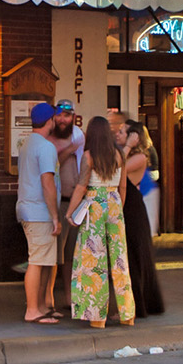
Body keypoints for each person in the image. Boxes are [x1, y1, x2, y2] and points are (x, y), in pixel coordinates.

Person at [64, 116, 134, 328]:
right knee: (120, 259)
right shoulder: (120, 154)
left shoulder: (88, 156)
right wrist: (117, 208)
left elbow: (81, 186)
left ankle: (97, 317)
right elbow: (123, 187)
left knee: (94, 261)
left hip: (94, 205)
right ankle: (127, 314)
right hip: (114, 203)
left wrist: (70, 212)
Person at [17, 102, 61, 325]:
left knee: (44, 261)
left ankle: (42, 306)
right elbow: (47, 182)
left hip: (27, 207)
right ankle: (33, 310)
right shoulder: (46, 147)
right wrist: (55, 216)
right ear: (49, 121)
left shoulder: (26, 143)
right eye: (54, 118)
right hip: (39, 211)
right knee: (36, 261)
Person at [117, 119, 164, 316]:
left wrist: (127, 147)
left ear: (134, 136)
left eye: (122, 131)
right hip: (124, 207)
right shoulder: (122, 153)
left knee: (134, 259)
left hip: (133, 210)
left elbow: (116, 170)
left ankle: (137, 306)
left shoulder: (140, 157)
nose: (117, 133)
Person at [47, 101, 84, 313]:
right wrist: (70, 150)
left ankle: (71, 299)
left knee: (72, 254)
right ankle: (49, 299)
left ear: (73, 118)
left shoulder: (79, 135)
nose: (63, 119)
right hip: (59, 204)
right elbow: (51, 164)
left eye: (67, 116)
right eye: (60, 115)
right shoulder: (49, 138)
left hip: (78, 203)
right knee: (54, 255)